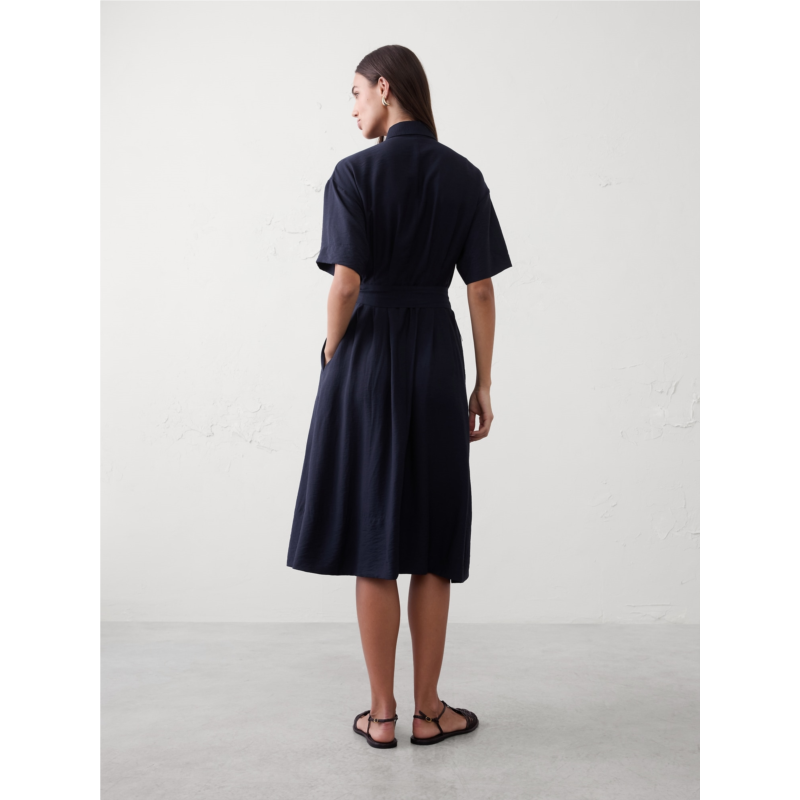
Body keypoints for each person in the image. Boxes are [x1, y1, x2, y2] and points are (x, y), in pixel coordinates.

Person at [287, 45, 512, 749]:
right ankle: (428, 710)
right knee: (434, 538)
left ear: (385, 89)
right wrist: (482, 382)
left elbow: (346, 283)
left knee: (374, 533)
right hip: (436, 357)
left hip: (366, 355)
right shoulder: (463, 175)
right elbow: (480, 289)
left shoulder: (353, 174)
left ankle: (381, 716)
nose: (352, 109)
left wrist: (333, 349)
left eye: (356, 93)